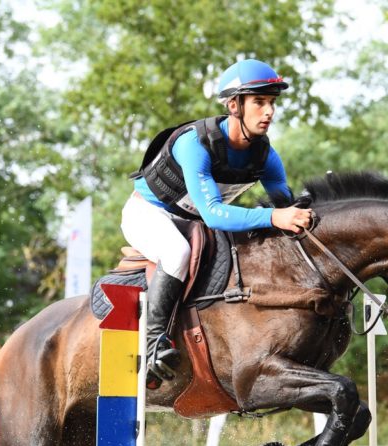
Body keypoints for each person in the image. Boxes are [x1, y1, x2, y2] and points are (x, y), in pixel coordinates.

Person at [123, 59, 314, 388]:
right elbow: (213, 213)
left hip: (196, 223)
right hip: (149, 214)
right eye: (259, 102)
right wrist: (274, 216)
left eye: (271, 103)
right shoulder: (194, 144)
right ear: (234, 105)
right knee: (177, 252)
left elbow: (285, 204)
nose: (268, 112)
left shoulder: (265, 156)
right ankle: (153, 344)